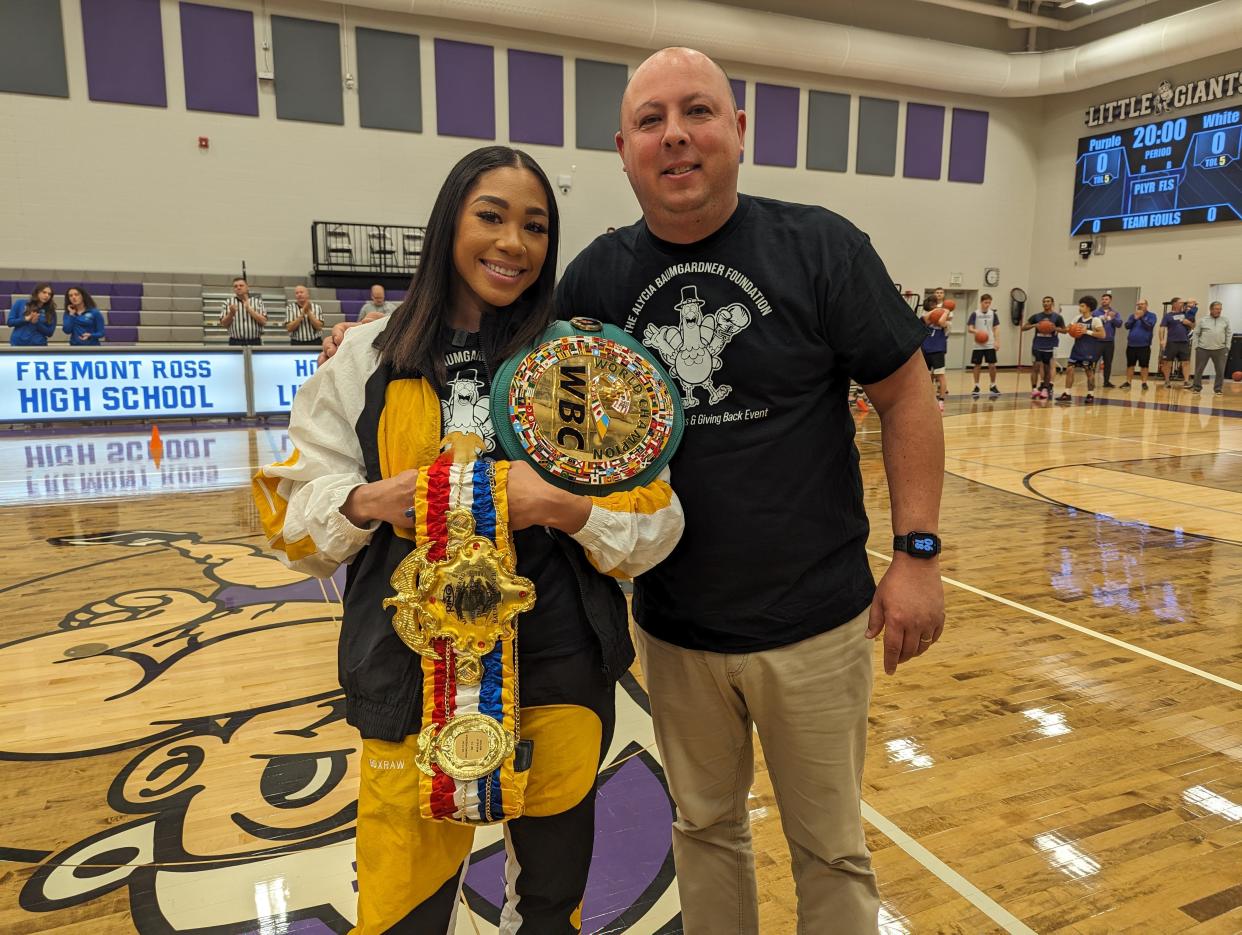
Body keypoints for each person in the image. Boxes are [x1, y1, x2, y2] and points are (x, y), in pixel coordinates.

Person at [555, 47, 945, 935]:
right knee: (704, 830)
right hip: (675, 627)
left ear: (737, 132)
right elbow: (525, 394)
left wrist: (918, 553)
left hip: (817, 623)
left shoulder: (822, 247)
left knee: (833, 849)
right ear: (623, 149)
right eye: (651, 121)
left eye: (697, 112)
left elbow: (906, 393)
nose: (675, 136)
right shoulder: (595, 281)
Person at [252, 146, 683, 934]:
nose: (513, 243)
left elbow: (656, 524)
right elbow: (292, 518)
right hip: (406, 674)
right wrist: (375, 498)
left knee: (551, 907)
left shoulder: (581, 364)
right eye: (491, 215)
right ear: (450, 220)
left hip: (559, 668)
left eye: (535, 226)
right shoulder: (364, 356)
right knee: (399, 915)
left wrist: (561, 506)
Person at [1057, 295, 1104, 403]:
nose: (1080, 308)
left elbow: (1102, 335)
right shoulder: (1077, 318)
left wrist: (1086, 331)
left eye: (1082, 306)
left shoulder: (1095, 320)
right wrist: (1055, 327)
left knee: (1089, 373)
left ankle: (1090, 394)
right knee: (1069, 370)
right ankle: (1067, 393)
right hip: (1077, 349)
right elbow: (1066, 330)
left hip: (1089, 350)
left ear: (1088, 307)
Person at [1020, 295, 1064, 399]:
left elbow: (1065, 330)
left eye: (1048, 301)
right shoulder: (1036, 316)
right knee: (1035, 367)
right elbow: (1023, 328)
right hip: (1037, 345)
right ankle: (1034, 389)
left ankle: (1046, 388)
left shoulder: (1057, 317)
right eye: (1044, 301)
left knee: (1047, 368)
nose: (1045, 303)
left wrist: (1055, 328)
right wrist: (1033, 325)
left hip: (1051, 346)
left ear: (1052, 303)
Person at [1189, 301, 1232, 395]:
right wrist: (1196, 346)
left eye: (1220, 309)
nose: (1219, 311)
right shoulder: (1203, 320)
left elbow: (1229, 334)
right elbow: (1196, 333)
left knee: (1220, 370)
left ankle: (1218, 389)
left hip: (1220, 349)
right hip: (1203, 349)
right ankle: (1197, 388)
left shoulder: (1225, 320)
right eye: (1217, 309)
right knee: (1199, 370)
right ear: (1211, 309)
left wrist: (1227, 347)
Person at [920, 287, 951, 411]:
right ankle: (927, 399)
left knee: (940, 375)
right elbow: (926, 319)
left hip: (938, 350)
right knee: (926, 377)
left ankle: (941, 400)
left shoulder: (948, 323)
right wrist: (938, 310)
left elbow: (942, 322)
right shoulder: (925, 317)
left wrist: (945, 312)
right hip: (925, 349)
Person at [967, 293, 1001, 396]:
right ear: (981, 302)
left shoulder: (993, 314)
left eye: (989, 303)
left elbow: (996, 328)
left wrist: (997, 341)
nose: (987, 304)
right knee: (977, 365)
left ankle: (993, 385)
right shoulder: (975, 314)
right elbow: (970, 328)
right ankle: (976, 386)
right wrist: (977, 332)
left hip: (990, 343)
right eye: (986, 302)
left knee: (992, 365)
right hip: (978, 344)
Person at [218, 277, 267, 345]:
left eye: (241, 285)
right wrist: (231, 314)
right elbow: (223, 324)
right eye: (235, 286)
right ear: (234, 289)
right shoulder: (228, 302)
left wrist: (250, 309)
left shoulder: (257, 302)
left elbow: (264, 321)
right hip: (235, 342)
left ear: (247, 287)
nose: (238, 287)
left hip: (255, 341)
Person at [1120, 299, 1157, 390]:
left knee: (1144, 365)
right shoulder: (1133, 316)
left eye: (1142, 304)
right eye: (1138, 304)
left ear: (1146, 305)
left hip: (1144, 345)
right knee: (1130, 365)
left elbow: (1149, 326)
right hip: (1131, 345)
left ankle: (1144, 383)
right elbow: (1127, 326)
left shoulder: (1152, 315)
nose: (1140, 305)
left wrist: (1141, 318)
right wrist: (1135, 318)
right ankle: (1128, 382)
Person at [1159, 297, 1193, 388]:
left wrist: (1188, 323)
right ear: (1174, 304)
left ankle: (1186, 381)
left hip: (1184, 341)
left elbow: (1193, 326)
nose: (1183, 304)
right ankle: (1167, 381)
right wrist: (1162, 340)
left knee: (1186, 362)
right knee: (1167, 362)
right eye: (1181, 302)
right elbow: (1162, 328)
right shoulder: (1168, 315)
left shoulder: (1185, 314)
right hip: (1171, 342)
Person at [1097, 290, 1123, 387]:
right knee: (1093, 361)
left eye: (1106, 299)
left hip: (1109, 342)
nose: (1104, 301)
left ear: (1110, 301)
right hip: (1097, 341)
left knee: (1108, 363)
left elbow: (1119, 324)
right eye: (1103, 299)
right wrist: (1104, 318)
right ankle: (1090, 380)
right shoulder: (1095, 312)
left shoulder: (1114, 313)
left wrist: (1113, 318)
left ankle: (1106, 382)